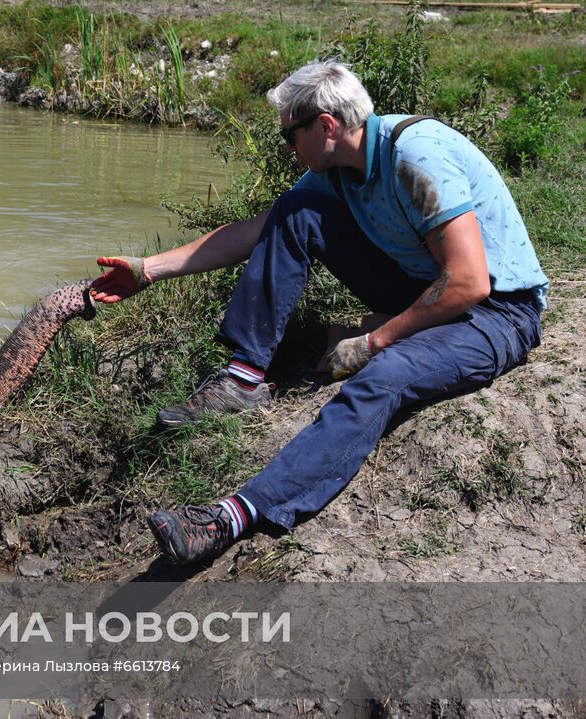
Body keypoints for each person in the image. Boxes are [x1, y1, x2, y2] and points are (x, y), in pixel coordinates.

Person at [90, 60, 548, 566]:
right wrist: (149, 270)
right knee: (292, 213)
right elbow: (251, 233)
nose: (288, 148)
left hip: (496, 311)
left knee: (387, 372)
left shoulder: (416, 156)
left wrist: (375, 341)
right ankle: (243, 379)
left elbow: (467, 281)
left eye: (290, 135)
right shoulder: (343, 172)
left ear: (326, 127)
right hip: (428, 285)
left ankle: (236, 514)